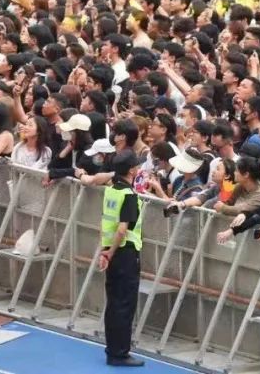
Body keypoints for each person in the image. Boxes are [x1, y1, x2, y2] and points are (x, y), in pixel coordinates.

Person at [99, 149, 145, 367]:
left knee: (113, 302)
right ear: (132, 170)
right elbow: (122, 229)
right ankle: (120, 353)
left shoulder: (110, 190)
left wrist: (106, 251)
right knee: (125, 304)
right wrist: (112, 251)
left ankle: (112, 349)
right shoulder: (128, 195)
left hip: (111, 251)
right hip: (124, 252)